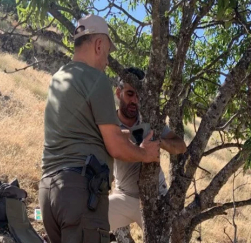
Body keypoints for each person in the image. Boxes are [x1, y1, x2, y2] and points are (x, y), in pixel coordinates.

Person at [38, 15, 160, 243]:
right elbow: (114, 146)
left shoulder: (58, 79)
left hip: (48, 192)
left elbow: (81, 131)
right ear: (98, 45)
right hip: (81, 192)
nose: (106, 60)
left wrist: (121, 135)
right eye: (106, 53)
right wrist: (145, 154)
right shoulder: (97, 79)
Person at [108, 67, 187, 232]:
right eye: (130, 94)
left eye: (139, 96)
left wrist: (158, 141)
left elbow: (181, 146)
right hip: (124, 196)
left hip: (156, 197)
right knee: (87, 223)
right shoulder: (109, 123)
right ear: (118, 93)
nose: (135, 101)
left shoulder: (150, 119)